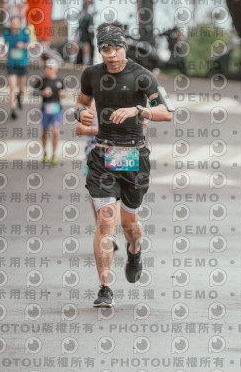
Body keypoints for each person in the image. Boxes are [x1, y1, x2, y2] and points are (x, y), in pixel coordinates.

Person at [74, 20, 173, 307]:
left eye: (116, 48)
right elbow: (81, 102)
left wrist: (138, 110)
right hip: (103, 155)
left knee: (131, 225)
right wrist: (79, 113)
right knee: (106, 221)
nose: (112, 54)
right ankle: (105, 287)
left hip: (134, 157)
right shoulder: (91, 74)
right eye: (106, 49)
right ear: (100, 50)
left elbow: (166, 112)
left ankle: (134, 250)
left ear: (124, 47)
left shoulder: (142, 76)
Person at [31, 59, 65, 164]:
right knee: (45, 131)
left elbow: (65, 91)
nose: (48, 70)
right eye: (46, 68)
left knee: (55, 131)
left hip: (56, 109)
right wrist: (43, 92)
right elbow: (34, 92)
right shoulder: (42, 81)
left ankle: (54, 154)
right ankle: (45, 152)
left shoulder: (60, 81)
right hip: (45, 108)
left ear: (55, 69)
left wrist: (62, 93)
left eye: (50, 68)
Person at [3, 16, 30, 119]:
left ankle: (19, 97)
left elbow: (31, 45)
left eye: (16, 23)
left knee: (21, 88)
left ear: (19, 24)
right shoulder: (7, 34)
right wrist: (2, 52)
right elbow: (3, 44)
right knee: (12, 87)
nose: (14, 25)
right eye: (12, 23)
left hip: (22, 64)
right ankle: (13, 109)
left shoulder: (25, 34)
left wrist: (23, 45)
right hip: (11, 64)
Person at [76, 0, 94, 65]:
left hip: (85, 22)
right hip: (82, 22)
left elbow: (90, 2)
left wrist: (86, 12)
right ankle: (74, 59)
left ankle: (86, 60)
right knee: (78, 41)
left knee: (85, 42)